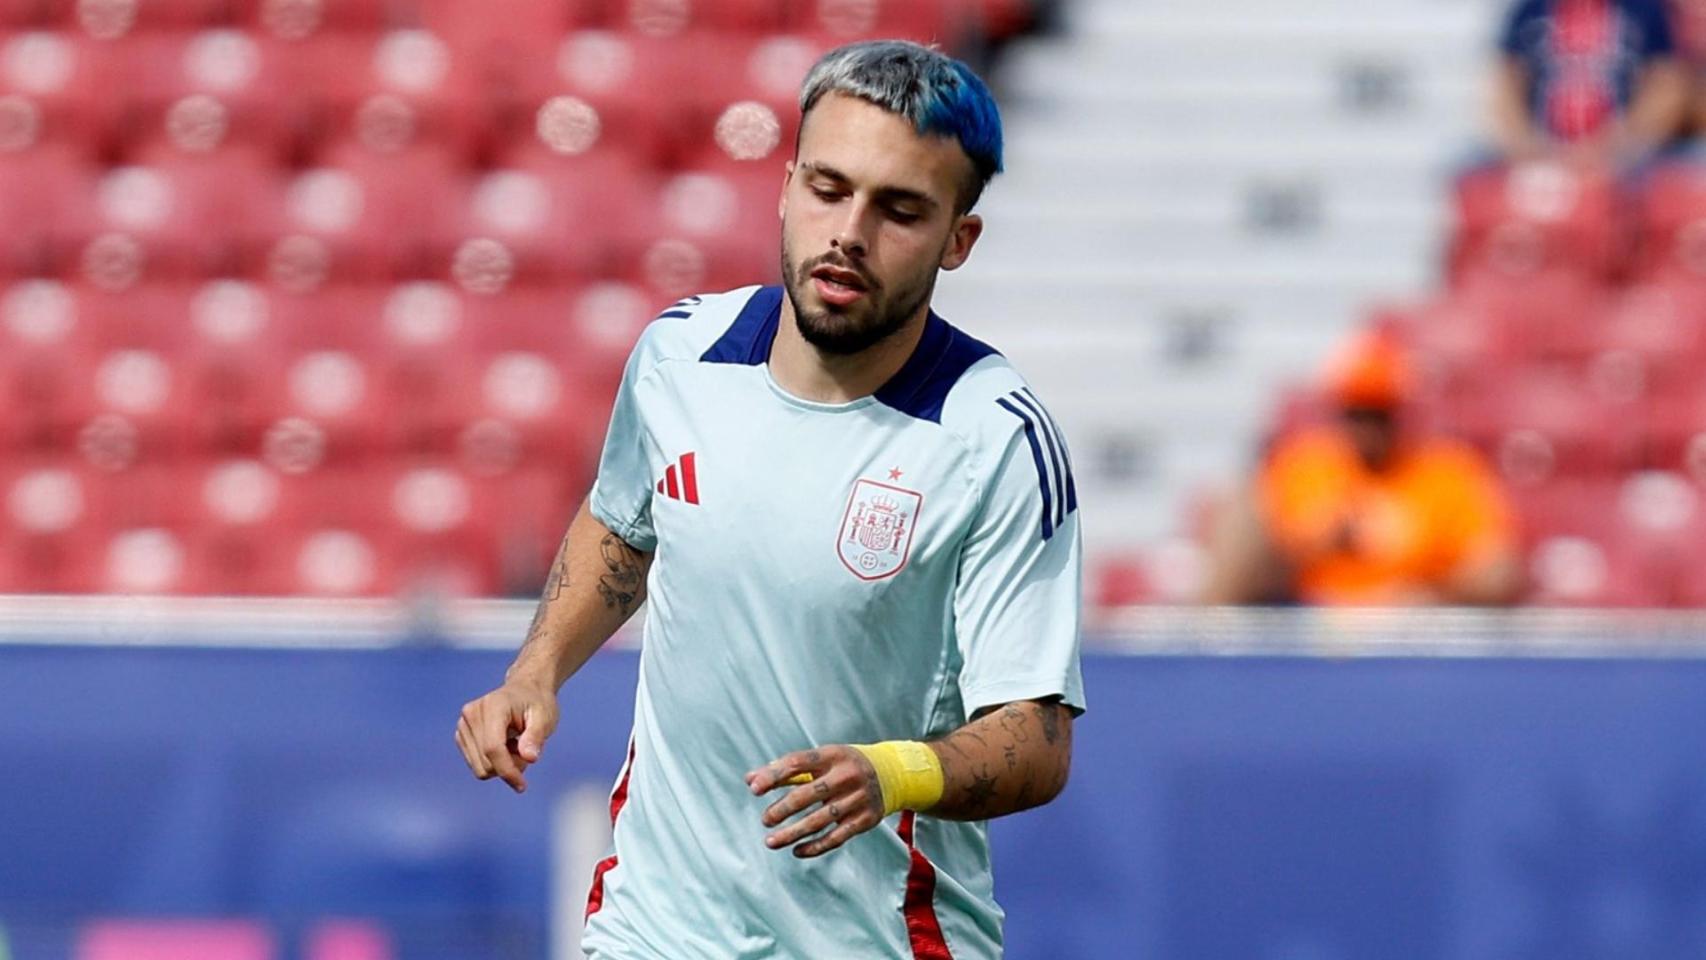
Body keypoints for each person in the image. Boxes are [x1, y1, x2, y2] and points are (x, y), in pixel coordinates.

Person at [454, 40, 1084, 958]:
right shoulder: (679, 357)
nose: (850, 233)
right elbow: (625, 527)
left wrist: (893, 773)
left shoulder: (996, 442)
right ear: (786, 186)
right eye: (829, 189)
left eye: (899, 209)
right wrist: (536, 671)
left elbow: (1036, 737)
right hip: (653, 930)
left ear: (960, 239)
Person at [1202, 331, 1523, 606]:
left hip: (1413, 632)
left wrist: (1430, 594)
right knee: (1238, 509)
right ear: (1338, 411)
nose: (1367, 428)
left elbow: (1496, 571)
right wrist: (1319, 542)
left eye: (1379, 413)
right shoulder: (1304, 465)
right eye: (1357, 413)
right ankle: (1202, 652)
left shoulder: (1448, 474)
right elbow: (1266, 555)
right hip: (1308, 622)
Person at [1488, 0, 1690, 169]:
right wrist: (1529, 148)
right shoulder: (1529, 10)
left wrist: (1618, 145)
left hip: (1631, 160)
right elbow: (1505, 86)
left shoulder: (1645, 9)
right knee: (1470, 171)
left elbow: (1667, 86)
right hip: (1541, 154)